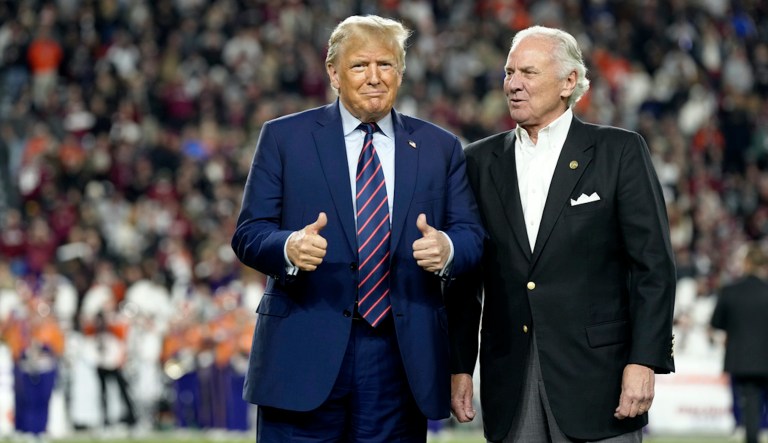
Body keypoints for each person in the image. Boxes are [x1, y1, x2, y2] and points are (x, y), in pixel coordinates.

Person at [231, 14, 484, 442]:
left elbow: (472, 236)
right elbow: (249, 233)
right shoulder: (284, 138)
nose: (374, 77)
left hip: (399, 360)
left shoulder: (440, 147)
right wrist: (289, 247)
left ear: (401, 72)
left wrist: (448, 248)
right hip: (302, 350)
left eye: (385, 64)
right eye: (359, 65)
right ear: (334, 73)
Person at [447, 25, 676, 442]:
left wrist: (645, 360)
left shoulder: (619, 151)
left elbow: (653, 267)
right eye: (509, 72)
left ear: (569, 82)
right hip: (510, 382)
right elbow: (466, 281)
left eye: (528, 73)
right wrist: (460, 366)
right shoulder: (477, 161)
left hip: (601, 383)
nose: (513, 84)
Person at [710, 243, 768, 443]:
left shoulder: (730, 291)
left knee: (750, 404)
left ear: (746, 264)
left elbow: (716, 322)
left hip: (742, 359)